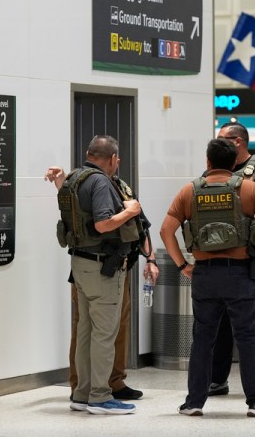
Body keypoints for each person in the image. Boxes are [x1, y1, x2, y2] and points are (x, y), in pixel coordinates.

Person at [160, 138, 255, 417]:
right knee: (248, 337)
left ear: (207, 162)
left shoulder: (189, 191)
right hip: (241, 273)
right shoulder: (248, 188)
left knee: (203, 338)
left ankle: (194, 402)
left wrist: (182, 265)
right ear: (234, 163)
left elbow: (166, 230)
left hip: (204, 274)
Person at [45, 165, 159, 403]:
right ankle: (96, 392)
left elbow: (141, 226)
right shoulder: (92, 183)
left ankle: (103, 385)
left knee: (109, 327)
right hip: (100, 268)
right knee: (96, 331)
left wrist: (150, 259)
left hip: (115, 266)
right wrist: (130, 212)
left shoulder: (118, 185)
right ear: (114, 158)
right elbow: (100, 223)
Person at [207, 123, 255, 397]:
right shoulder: (214, 172)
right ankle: (217, 378)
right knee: (222, 320)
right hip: (221, 257)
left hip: (254, 258)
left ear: (238, 141)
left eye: (222, 139)